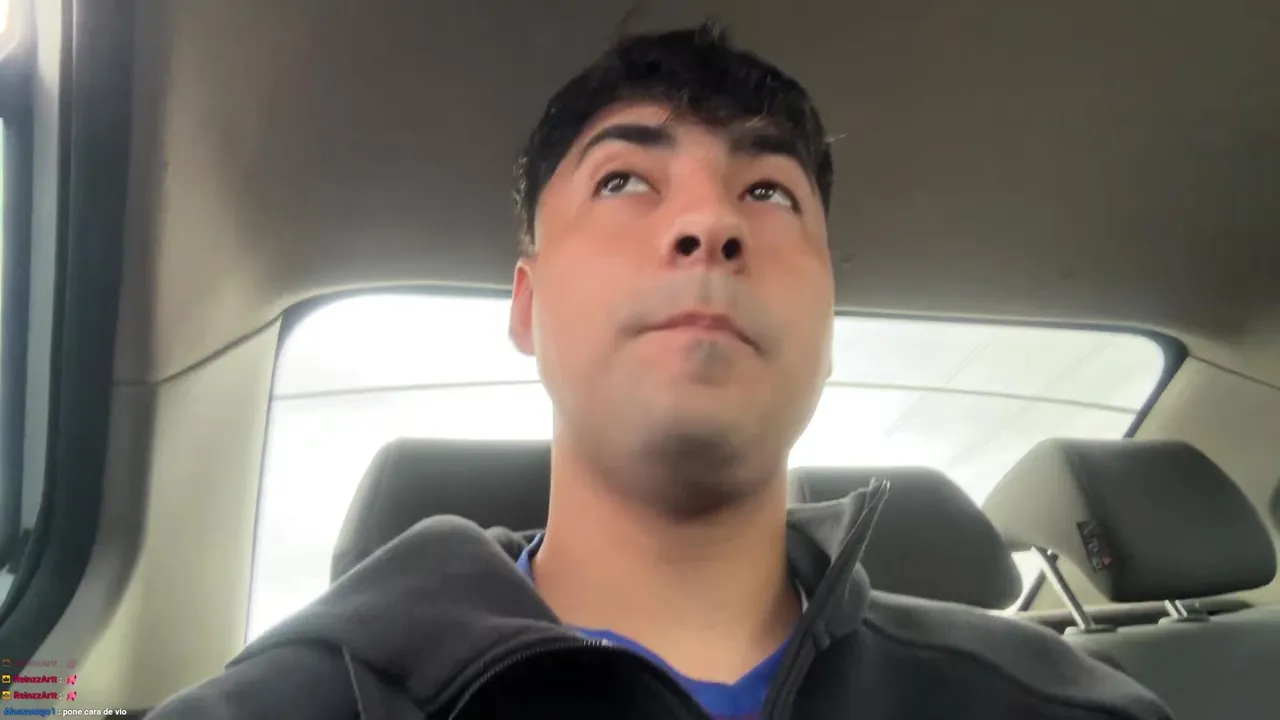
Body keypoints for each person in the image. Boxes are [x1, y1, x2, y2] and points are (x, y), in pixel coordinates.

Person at [150, 22, 1172, 720]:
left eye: (767, 193)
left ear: (827, 329)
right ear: (526, 306)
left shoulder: (1056, 705)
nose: (708, 223)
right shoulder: (290, 704)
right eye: (624, 179)